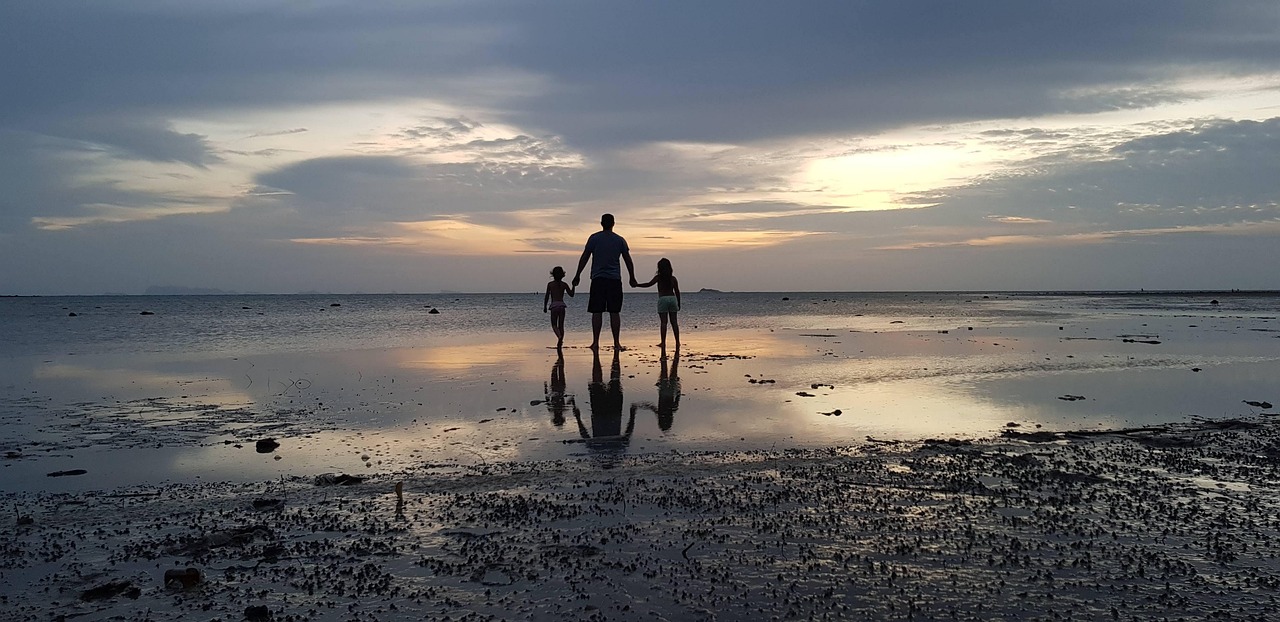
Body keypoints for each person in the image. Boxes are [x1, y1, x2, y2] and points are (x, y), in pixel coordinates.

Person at [571, 213, 636, 351]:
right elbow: (628, 260)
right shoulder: (620, 240)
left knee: (597, 311)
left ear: (601, 223)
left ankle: (595, 342)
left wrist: (578, 274)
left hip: (598, 279)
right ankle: (616, 343)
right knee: (614, 312)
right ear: (613, 223)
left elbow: (584, 257)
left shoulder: (594, 238)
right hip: (613, 280)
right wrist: (632, 276)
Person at [633, 257, 681, 349]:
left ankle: (663, 342)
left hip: (663, 299)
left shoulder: (658, 278)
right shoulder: (673, 278)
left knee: (664, 322)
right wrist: (679, 303)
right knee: (674, 322)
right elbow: (677, 291)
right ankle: (677, 342)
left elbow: (648, 284)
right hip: (672, 298)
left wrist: (637, 285)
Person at [543, 266, 574, 348]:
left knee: (554, 325)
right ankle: (560, 342)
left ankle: (559, 337)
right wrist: (574, 286)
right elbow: (571, 294)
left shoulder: (550, 284)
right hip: (561, 305)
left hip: (554, 306)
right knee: (561, 325)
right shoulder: (564, 284)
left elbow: (547, 296)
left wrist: (545, 306)